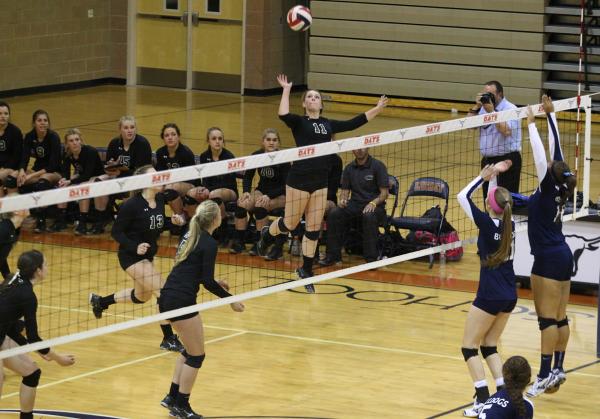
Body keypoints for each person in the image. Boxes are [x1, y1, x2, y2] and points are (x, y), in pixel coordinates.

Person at [257, 74, 388, 291]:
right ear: (304, 103)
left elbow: (354, 123)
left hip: (320, 181)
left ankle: (306, 270)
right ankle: (266, 234)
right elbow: (283, 114)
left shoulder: (328, 125)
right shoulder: (299, 122)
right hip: (299, 179)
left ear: (321, 104)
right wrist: (287, 89)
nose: (313, 98)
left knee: (314, 228)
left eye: (316, 97)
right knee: (289, 224)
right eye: (309, 96)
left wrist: (377, 109)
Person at [158, 200, 245, 419]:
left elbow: (192, 269)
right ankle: (181, 406)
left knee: (188, 351)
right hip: (181, 301)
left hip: (168, 296)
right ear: (216, 219)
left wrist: (216, 280)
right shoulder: (208, 242)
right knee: (197, 356)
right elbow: (206, 281)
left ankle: (171, 397)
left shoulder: (191, 233)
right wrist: (231, 300)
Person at [89, 165, 186, 352]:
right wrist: (135, 246)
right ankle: (168, 339)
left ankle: (100, 302)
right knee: (163, 292)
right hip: (130, 257)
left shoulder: (159, 199)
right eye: (154, 176)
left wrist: (171, 222)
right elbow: (116, 232)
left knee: (142, 296)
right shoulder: (130, 205)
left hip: (148, 256)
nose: (159, 178)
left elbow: (154, 223)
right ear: (145, 183)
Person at [524, 96, 576, 397]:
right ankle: (558, 368)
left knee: (547, 320)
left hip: (546, 258)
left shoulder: (546, 185)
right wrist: (551, 116)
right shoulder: (562, 184)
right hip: (563, 255)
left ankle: (544, 376)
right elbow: (557, 155)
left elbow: (541, 154)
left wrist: (532, 124)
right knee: (561, 317)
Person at [456, 161, 517, 417]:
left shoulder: (484, 222)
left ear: (490, 206)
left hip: (490, 294)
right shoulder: (509, 225)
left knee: (469, 347)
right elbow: (496, 200)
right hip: (510, 294)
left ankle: (482, 398)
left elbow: (462, 196)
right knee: (489, 345)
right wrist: (495, 177)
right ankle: (505, 396)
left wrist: (482, 177)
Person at [0, 250, 75, 419]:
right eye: (46, 264)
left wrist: (37, 350)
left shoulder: (12, 278)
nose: (48, 267)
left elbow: (9, 324)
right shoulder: (28, 296)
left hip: (2, 335)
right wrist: (57, 358)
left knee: (31, 372)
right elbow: (33, 337)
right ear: (38, 271)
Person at [319, 148, 388, 266]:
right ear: (352, 150)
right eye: (357, 148)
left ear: (368, 148)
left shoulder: (378, 166)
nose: (360, 150)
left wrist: (373, 203)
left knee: (368, 215)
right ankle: (333, 256)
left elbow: (384, 194)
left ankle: (371, 259)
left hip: (375, 206)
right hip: (355, 205)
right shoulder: (349, 168)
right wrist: (342, 200)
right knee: (335, 213)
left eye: (362, 147)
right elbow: (345, 192)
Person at [232, 128, 289, 258]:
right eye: (268, 140)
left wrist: (269, 196)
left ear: (278, 143)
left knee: (260, 206)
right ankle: (240, 242)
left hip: (281, 195)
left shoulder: (284, 159)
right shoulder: (257, 155)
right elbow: (247, 176)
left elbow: (286, 185)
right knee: (242, 204)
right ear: (263, 142)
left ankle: (260, 244)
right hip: (261, 191)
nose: (271, 142)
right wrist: (246, 192)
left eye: (274, 140)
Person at [92, 115, 153, 234]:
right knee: (99, 183)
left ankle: (126, 221)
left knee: (130, 187)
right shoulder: (114, 143)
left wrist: (122, 171)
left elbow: (141, 171)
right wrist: (111, 166)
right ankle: (101, 219)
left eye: (132, 127)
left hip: (137, 180)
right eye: (126, 128)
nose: (129, 130)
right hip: (117, 176)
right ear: (120, 129)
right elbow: (108, 165)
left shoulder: (142, 144)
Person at [468, 81, 522, 196]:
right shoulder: (483, 108)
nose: (488, 97)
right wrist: (476, 106)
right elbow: (470, 126)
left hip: (507, 161)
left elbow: (506, 131)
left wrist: (492, 112)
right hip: (488, 162)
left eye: (490, 94)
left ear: (499, 94)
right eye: (485, 94)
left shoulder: (511, 109)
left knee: (505, 200)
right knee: (488, 200)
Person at [187, 127, 239, 244]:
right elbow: (205, 180)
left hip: (230, 191)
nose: (217, 141)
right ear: (208, 141)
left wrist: (208, 190)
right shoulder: (204, 156)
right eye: (214, 138)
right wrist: (201, 188)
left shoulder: (228, 156)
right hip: (211, 191)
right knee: (192, 193)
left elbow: (229, 182)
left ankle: (223, 227)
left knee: (214, 194)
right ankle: (193, 228)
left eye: (220, 138)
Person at [50, 128, 105, 234]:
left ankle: (82, 223)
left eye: (77, 139)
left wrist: (70, 181)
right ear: (66, 144)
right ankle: (61, 221)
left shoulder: (90, 151)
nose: (75, 143)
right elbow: (65, 173)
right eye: (71, 141)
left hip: (99, 176)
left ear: (81, 141)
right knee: (62, 186)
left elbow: (88, 175)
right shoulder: (67, 154)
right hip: (82, 176)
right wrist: (64, 180)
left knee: (83, 187)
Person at [17, 110, 62, 233]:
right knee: (18, 180)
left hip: (55, 172)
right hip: (38, 170)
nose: (43, 123)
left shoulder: (53, 137)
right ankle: (21, 216)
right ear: (34, 123)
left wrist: (31, 175)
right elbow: (24, 158)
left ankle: (41, 220)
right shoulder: (30, 136)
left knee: (42, 182)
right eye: (39, 120)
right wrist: (22, 171)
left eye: (45, 120)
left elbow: (53, 165)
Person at [154, 123, 197, 228]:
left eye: (173, 134)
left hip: (189, 185)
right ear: (163, 138)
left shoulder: (186, 153)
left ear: (178, 136)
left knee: (170, 187)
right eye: (167, 135)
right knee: (160, 189)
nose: (170, 138)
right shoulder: (160, 153)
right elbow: (159, 175)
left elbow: (192, 178)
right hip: (169, 185)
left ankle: (182, 218)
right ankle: (159, 221)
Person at [0, 101, 23, 197]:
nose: (3, 116)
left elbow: (17, 156)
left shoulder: (15, 132)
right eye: (0, 114)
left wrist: (4, 168)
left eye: (6, 113)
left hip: (12, 168)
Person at [0, 209, 29, 280]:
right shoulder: (3, 229)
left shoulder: (11, 229)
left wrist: (8, 277)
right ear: (16, 211)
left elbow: (1, 256)